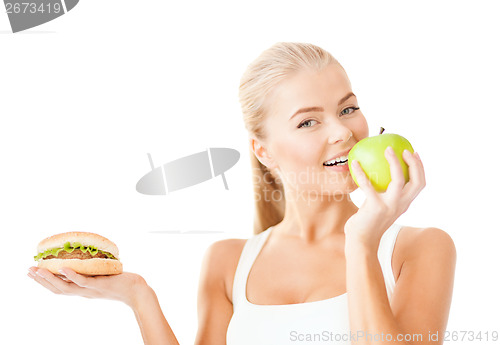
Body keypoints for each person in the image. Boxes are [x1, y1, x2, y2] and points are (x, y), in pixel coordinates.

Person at [28, 42, 456, 345]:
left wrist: (362, 243)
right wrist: (139, 296)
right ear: (263, 151)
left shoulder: (418, 249)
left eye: (348, 109)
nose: (343, 131)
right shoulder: (228, 263)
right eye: (309, 122)